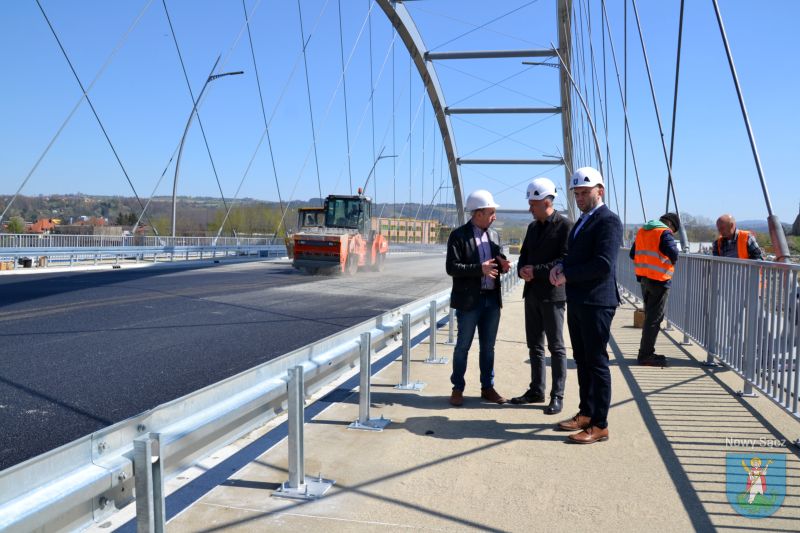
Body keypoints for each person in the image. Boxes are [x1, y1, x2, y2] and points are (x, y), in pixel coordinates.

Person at [549, 167, 623, 444]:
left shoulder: (608, 221)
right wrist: (561, 266)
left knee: (597, 362)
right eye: (576, 193)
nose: (579, 197)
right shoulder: (583, 220)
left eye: (584, 192)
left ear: (599, 191)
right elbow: (576, 256)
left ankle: (600, 424)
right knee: (582, 360)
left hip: (597, 302)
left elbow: (603, 264)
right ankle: (586, 413)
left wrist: (568, 275)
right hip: (580, 299)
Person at [510, 178, 571, 415]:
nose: (529, 209)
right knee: (534, 345)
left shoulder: (565, 226)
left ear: (546, 202)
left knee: (556, 347)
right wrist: (521, 270)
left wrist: (536, 271)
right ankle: (537, 390)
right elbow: (524, 256)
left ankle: (557, 395)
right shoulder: (533, 228)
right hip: (532, 293)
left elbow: (564, 260)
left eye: (532, 204)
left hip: (553, 295)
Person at [446, 189, 511, 406]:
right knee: (462, 346)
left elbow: (494, 263)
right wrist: (479, 269)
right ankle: (457, 388)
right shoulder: (458, 236)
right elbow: (452, 268)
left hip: (491, 300)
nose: (494, 217)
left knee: (488, 347)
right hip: (469, 302)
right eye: (491, 213)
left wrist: (502, 265)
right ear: (478, 213)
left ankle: (487, 388)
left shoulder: (494, 235)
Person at [629, 213, 680, 367]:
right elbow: (674, 253)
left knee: (650, 316)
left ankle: (645, 352)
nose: (672, 232)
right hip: (659, 280)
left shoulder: (642, 231)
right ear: (670, 224)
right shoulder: (664, 232)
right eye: (674, 230)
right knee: (654, 318)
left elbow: (632, 254)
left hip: (644, 279)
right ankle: (646, 355)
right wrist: (665, 260)